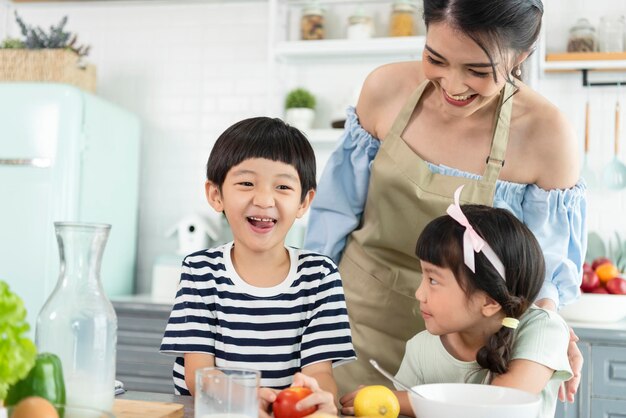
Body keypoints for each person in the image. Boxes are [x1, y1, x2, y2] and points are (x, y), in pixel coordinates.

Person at [304, 0, 586, 400]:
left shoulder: (547, 134)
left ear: (520, 56)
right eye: (435, 59)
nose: (453, 85)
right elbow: (331, 220)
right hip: (355, 329)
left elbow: (542, 274)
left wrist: (549, 334)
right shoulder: (385, 90)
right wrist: (302, 309)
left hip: (472, 357)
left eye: (478, 70)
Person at [160, 117, 356, 415]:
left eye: (282, 186)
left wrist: (318, 401)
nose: (264, 199)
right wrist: (243, 402)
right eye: (246, 183)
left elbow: (320, 374)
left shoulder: (320, 276)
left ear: (304, 202)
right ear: (216, 195)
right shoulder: (200, 271)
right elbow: (199, 374)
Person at [340, 187, 572, 418]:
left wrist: (400, 400)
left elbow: (500, 406)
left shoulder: (543, 329)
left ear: (489, 301)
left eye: (433, 280)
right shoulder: (420, 349)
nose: (419, 294)